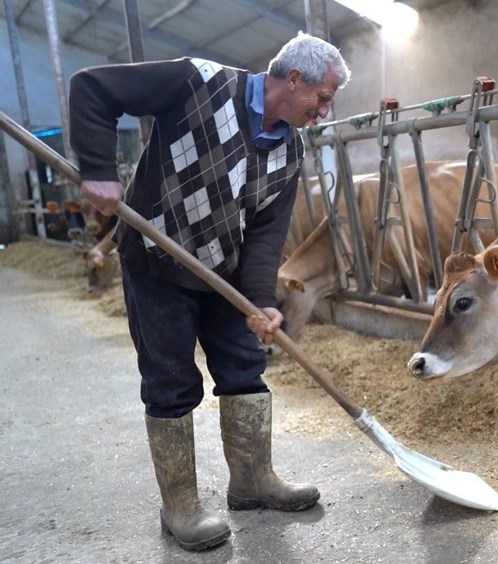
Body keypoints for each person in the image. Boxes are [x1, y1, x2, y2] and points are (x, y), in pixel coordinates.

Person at [69, 32, 350, 552]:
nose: (324, 110)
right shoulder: (197, 81)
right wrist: (99, 170)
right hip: (156, 261)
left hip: (224, 271)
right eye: (323, 97)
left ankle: (252, 481)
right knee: (171, 379)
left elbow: (267, 232)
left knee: (245, 368)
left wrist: (260, 299)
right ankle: (179, 505)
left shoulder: (290, 147)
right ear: (293, 80)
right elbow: (92, 88)